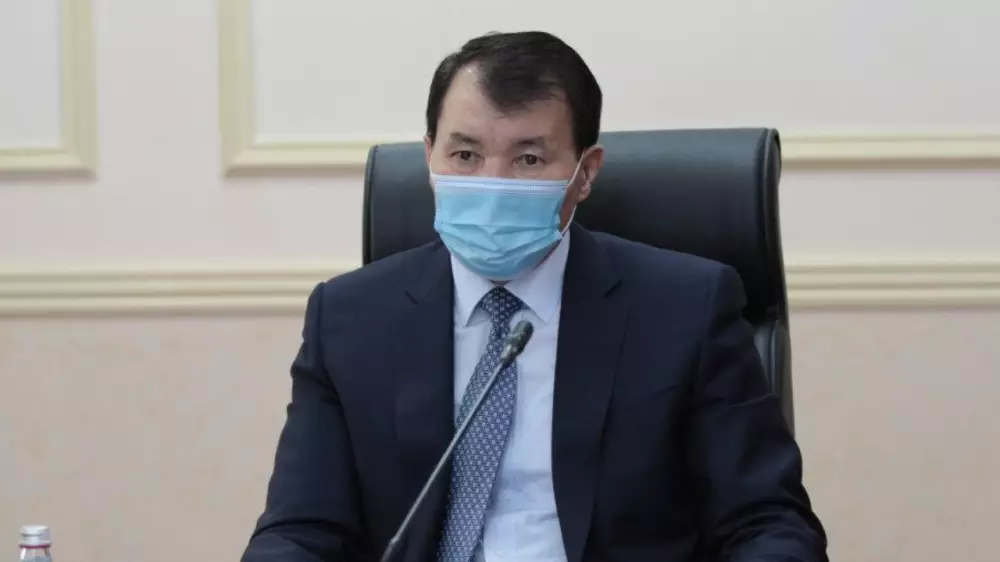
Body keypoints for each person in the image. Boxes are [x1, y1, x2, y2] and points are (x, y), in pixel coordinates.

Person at [241, 31, 827, 562]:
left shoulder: (685, 310)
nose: (491, 183)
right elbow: (299, 532)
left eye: (528, 159)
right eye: (465, 155)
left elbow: (767, 525)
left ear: (585, 172)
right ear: (429, 158)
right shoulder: (349, 319)